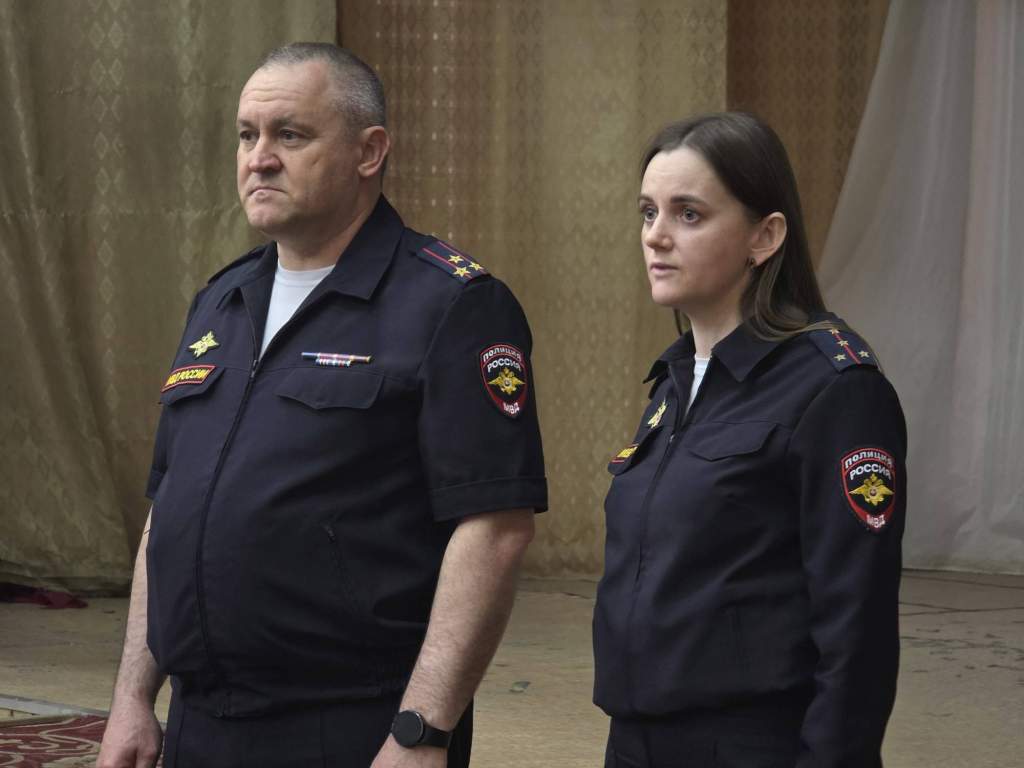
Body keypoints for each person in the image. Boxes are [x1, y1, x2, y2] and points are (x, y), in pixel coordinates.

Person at [97, 43, 546, 768]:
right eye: (246, 135)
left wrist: (423, 730)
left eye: (290, 135)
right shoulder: (221, 301)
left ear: (369, 152)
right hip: (202, 721)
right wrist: (130, 697)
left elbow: (494, 530)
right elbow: (169, 512)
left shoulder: (450, 304)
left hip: (349, 724)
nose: (259, 159)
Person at [592, 113, 906, 767]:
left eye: (688, 214)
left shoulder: (834, 388)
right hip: (638, 739)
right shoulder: (675, 380)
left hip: (750, 745)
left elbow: (857, 629)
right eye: (648, 212)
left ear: (765, 236)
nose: (656, 236)